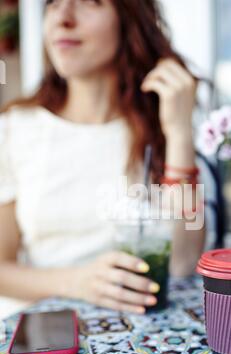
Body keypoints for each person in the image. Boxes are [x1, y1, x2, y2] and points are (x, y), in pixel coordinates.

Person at [0, 0, 205, 315]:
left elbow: (182, 261)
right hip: (40, 335)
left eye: (87, 2)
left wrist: (179, 133)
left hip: (139, 333)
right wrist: (76, 282)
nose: (63, 18)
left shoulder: (161, 126)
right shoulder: (14, 128)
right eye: (53, 3)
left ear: (129, 19)